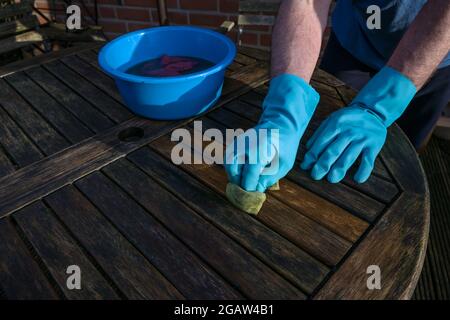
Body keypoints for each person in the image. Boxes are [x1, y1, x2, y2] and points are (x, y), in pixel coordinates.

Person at [225, 0, 450, 192]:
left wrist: (382, 104)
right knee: (322, 152)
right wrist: (283, 113)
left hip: (431, 58)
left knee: (402, 159)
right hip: (355, 43)